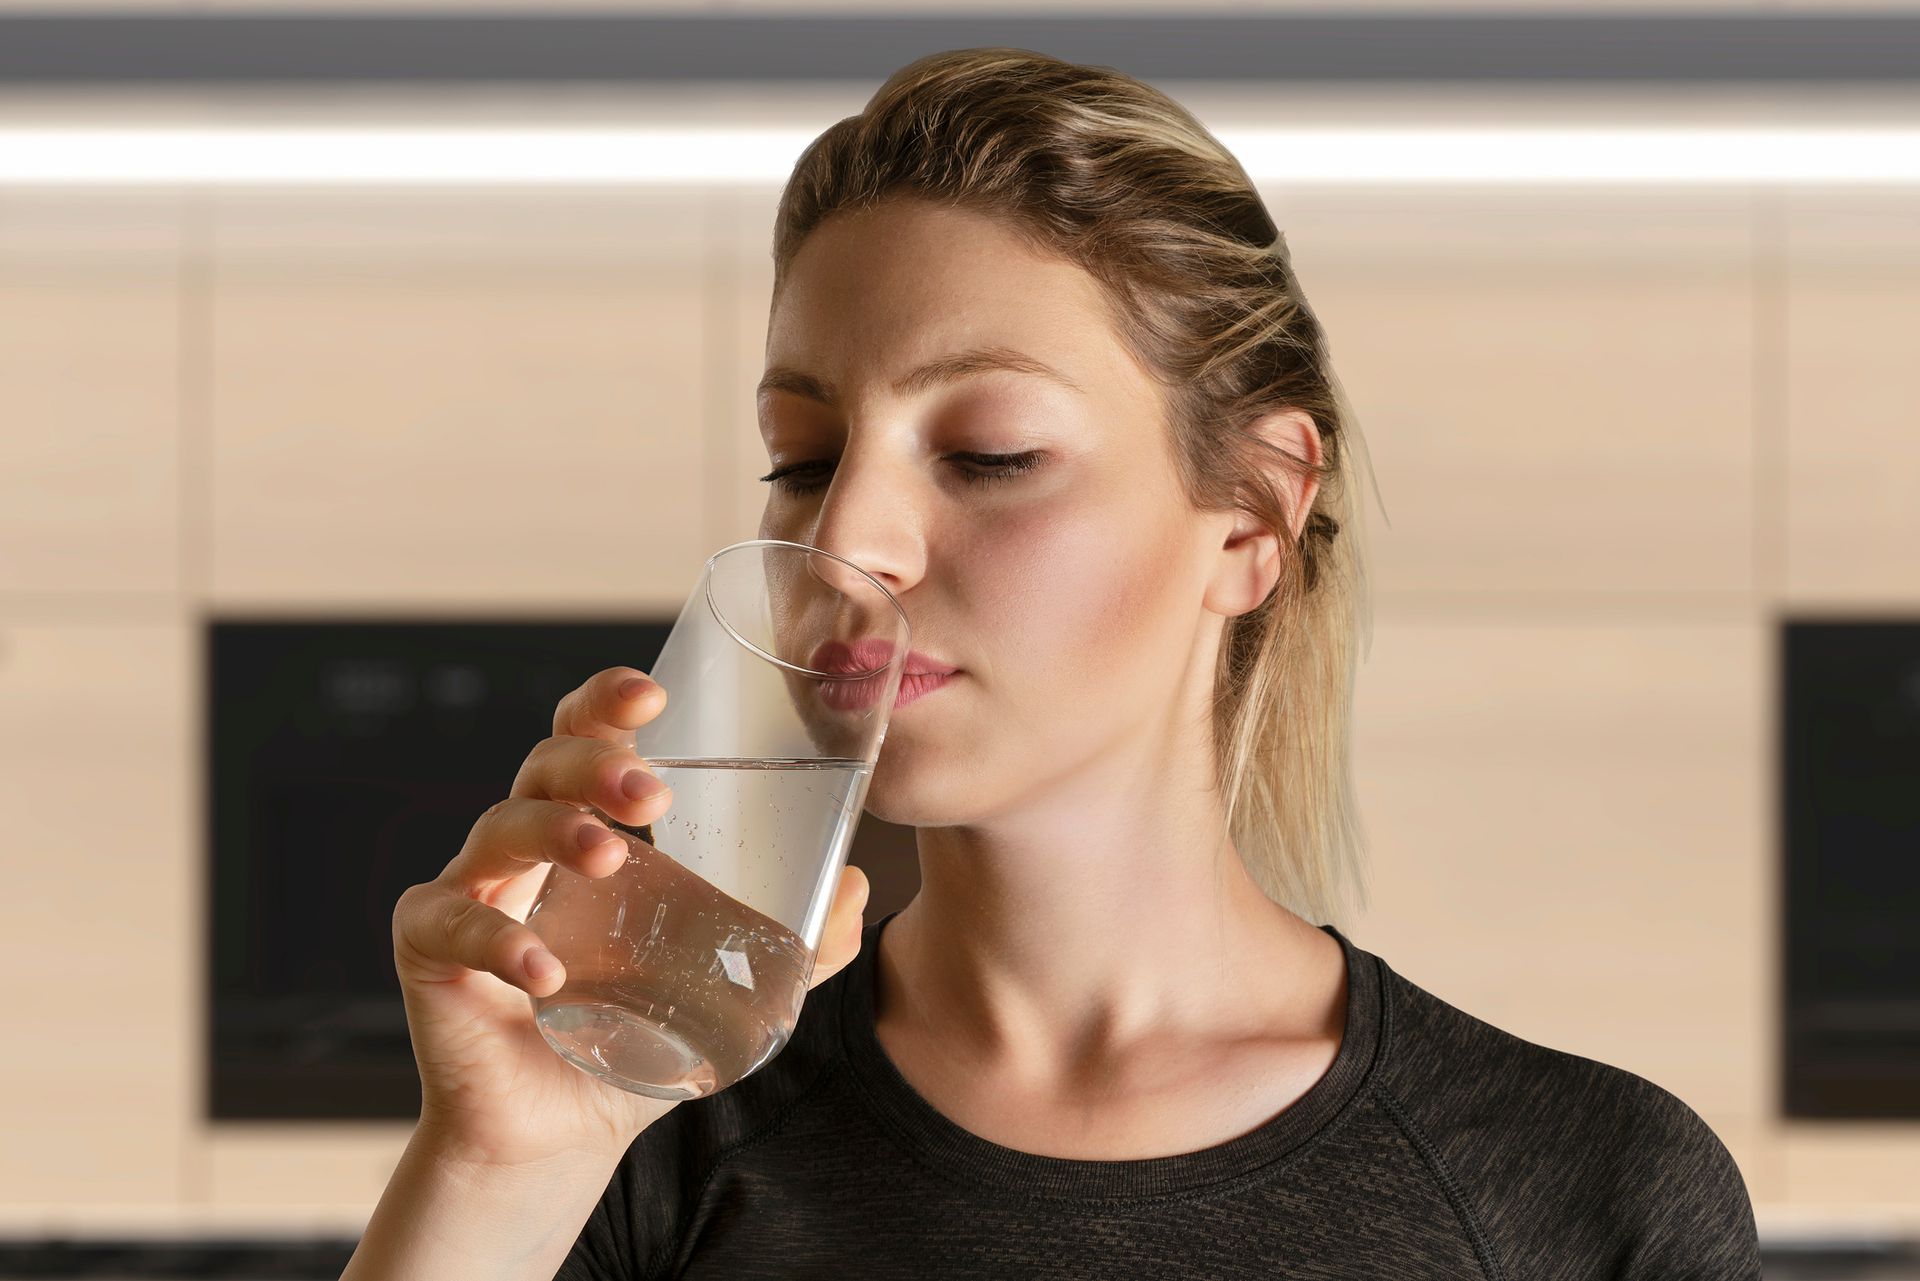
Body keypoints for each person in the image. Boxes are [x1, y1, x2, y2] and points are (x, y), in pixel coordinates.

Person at [346, 47, 1763, 1281]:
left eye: (989, 454)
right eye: (803, 457)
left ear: (1255, 515)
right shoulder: (635, 1154)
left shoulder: (1589, 1194)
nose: (849, 539)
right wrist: (495, 1170)